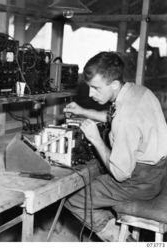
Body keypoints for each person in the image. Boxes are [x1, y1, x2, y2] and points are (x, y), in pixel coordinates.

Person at [63, 51, 167, 241]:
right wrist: (82, 111)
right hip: (159, 172)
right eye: (89, 87)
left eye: (95, 88)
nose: (90, 94)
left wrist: (95, 139)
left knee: (73, 199)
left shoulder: (125, 119)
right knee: (97, 179)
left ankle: (123, 240)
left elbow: (120, 173)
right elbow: (114, 117)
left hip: (140, 182)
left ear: (114, 84)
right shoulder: (138, 91)